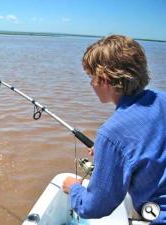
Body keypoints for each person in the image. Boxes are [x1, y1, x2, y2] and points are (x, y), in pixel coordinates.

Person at [62, 35, 166, 224]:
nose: (90, 84)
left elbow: (94, 207)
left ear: (105, 80)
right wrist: (109, 153)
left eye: (91, 77)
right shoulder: (162, 99)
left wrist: (74, 188)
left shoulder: (111, 134)